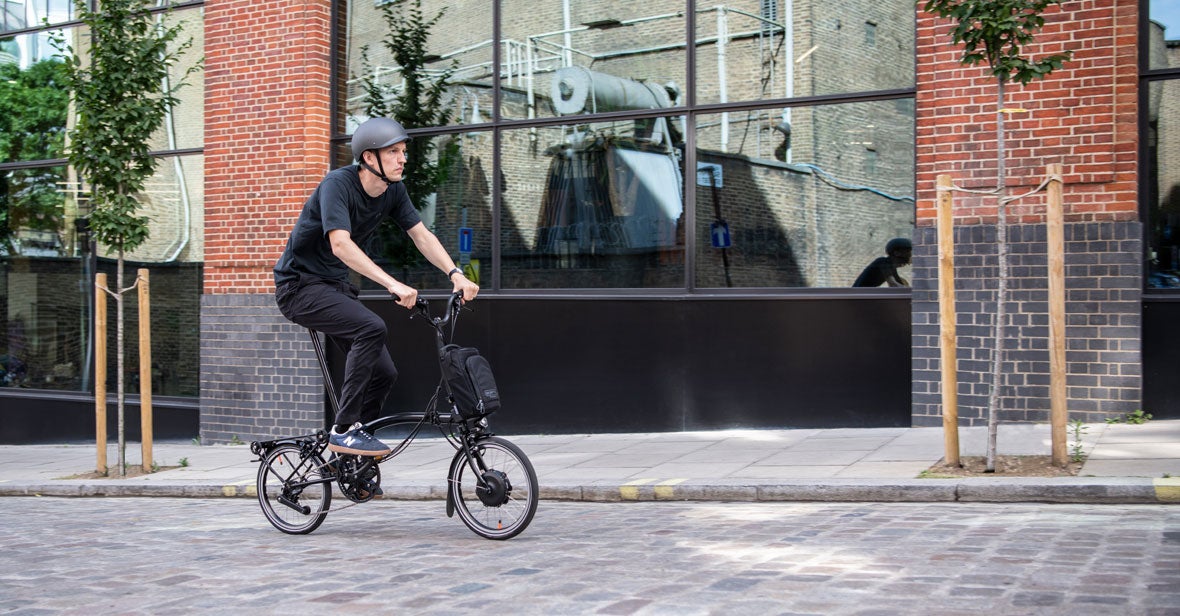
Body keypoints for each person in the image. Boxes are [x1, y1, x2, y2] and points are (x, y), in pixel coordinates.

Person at [274, 117, 479, 456]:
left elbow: (421, 235)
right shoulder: (337, 185)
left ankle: (354, 457)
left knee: (384, 373)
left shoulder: (392, 190)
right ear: (369, 158)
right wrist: (391, 283)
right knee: (371, 327)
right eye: (394, 152)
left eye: (403, 152)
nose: (403, 159)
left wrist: (454, 272)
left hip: (333, 288)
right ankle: (343, 430)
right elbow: (340, 244)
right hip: (298, 287)